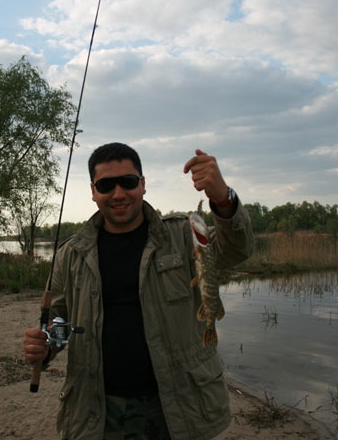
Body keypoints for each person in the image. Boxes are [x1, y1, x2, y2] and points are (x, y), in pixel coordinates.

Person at [23, 142, 254, 440]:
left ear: (143, 185)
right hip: (98, 413)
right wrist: (46, 346)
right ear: (93, 191)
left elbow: (238, 250)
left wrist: (224, 199)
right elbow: (60, 321)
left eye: (128, 182)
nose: (118, 193)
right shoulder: (70, 254)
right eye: (106, 185)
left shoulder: (182, 235)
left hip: (177, 410)